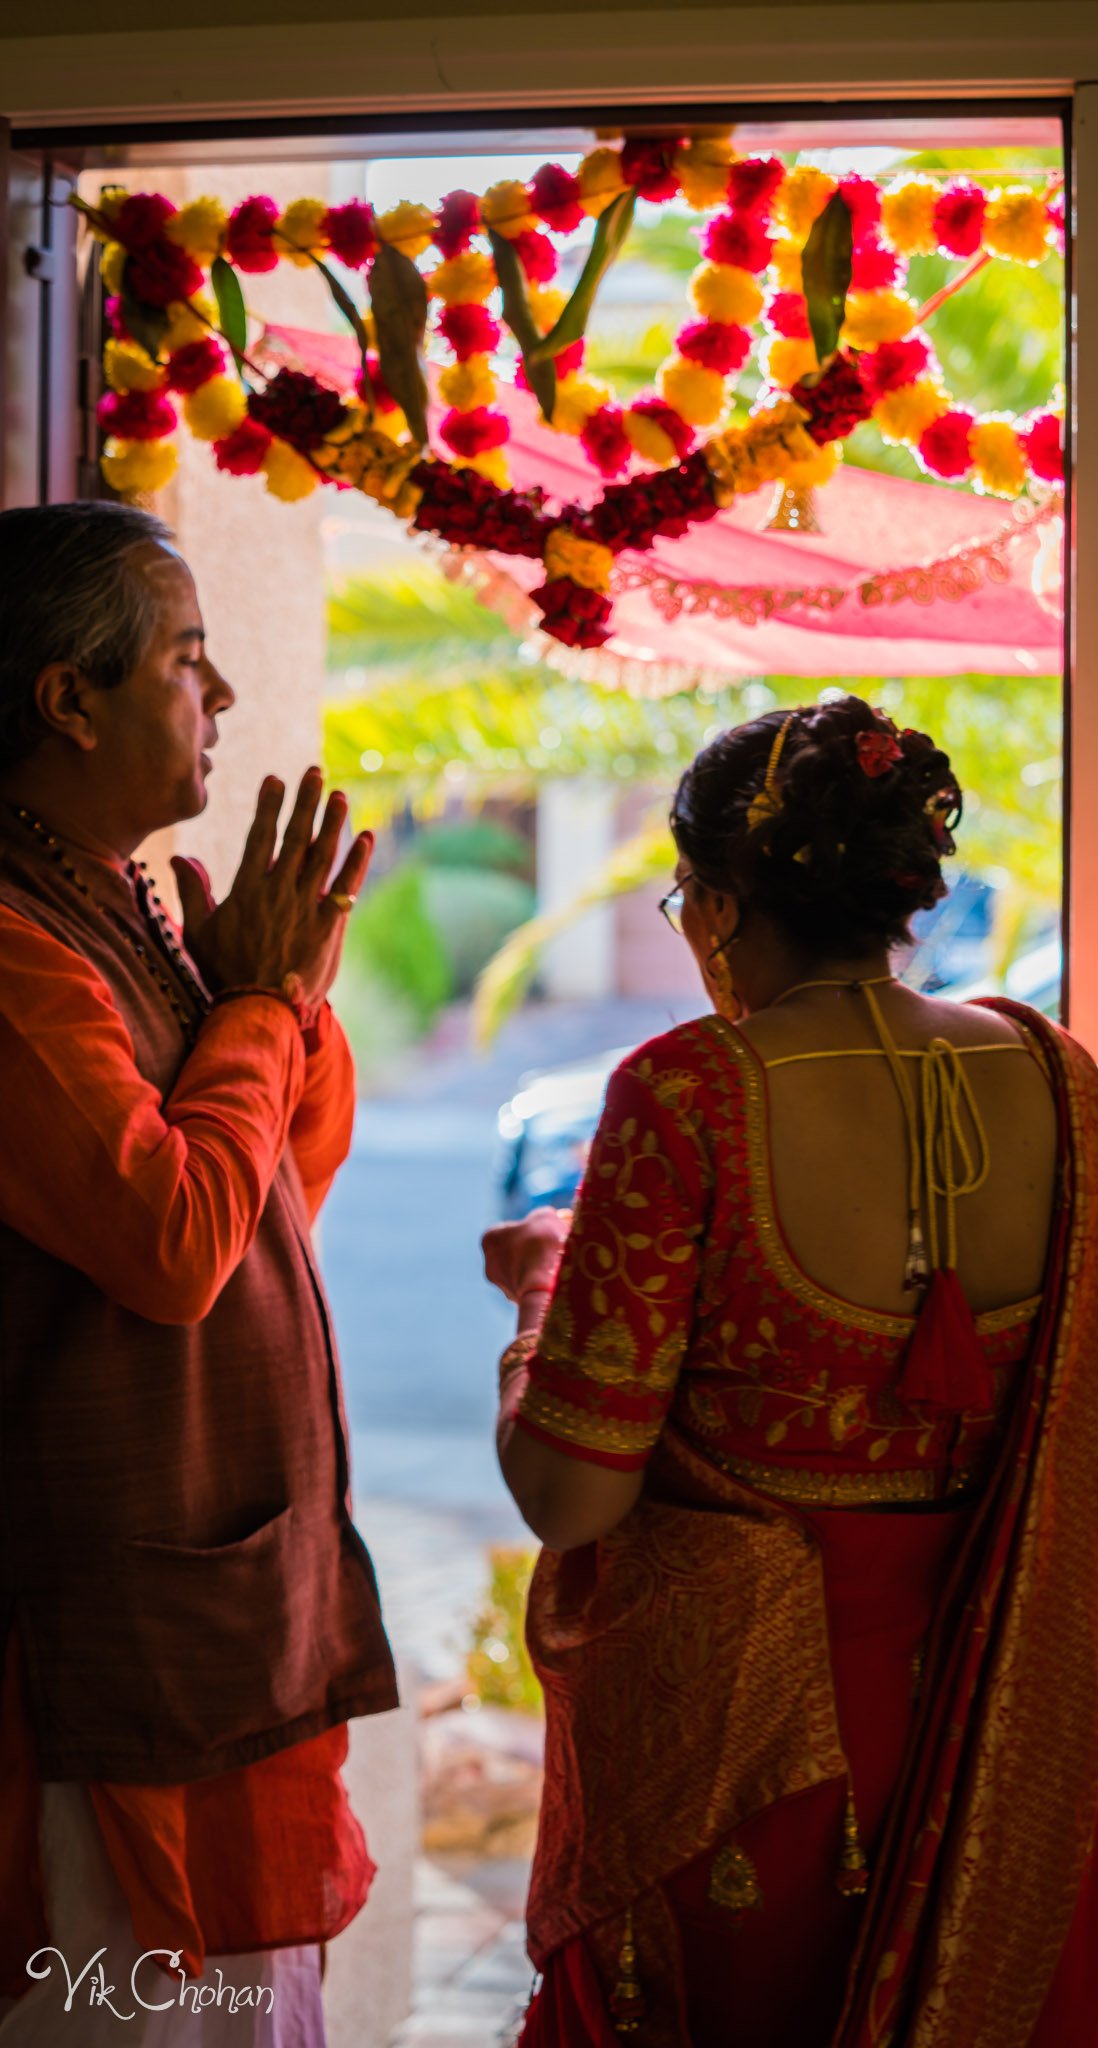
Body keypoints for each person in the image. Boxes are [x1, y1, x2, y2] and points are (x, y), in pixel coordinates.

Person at [483, 697, 1098, 2048]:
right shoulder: (1077, 1097)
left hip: (750, 1764)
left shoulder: (692, 1093)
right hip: (996, 1734)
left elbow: (569, 1496)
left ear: (720, 904)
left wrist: (537, 1295)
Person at [0, 501, 398, 2045]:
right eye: (187, 658)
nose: (221, 698)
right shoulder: (23, 949)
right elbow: (172, 1248)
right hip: (100, 1651)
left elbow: (270, 1201)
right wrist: (248, 1017)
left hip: (209, 1597)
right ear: (69, 697)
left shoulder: (123, 911)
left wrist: (280, 1005)